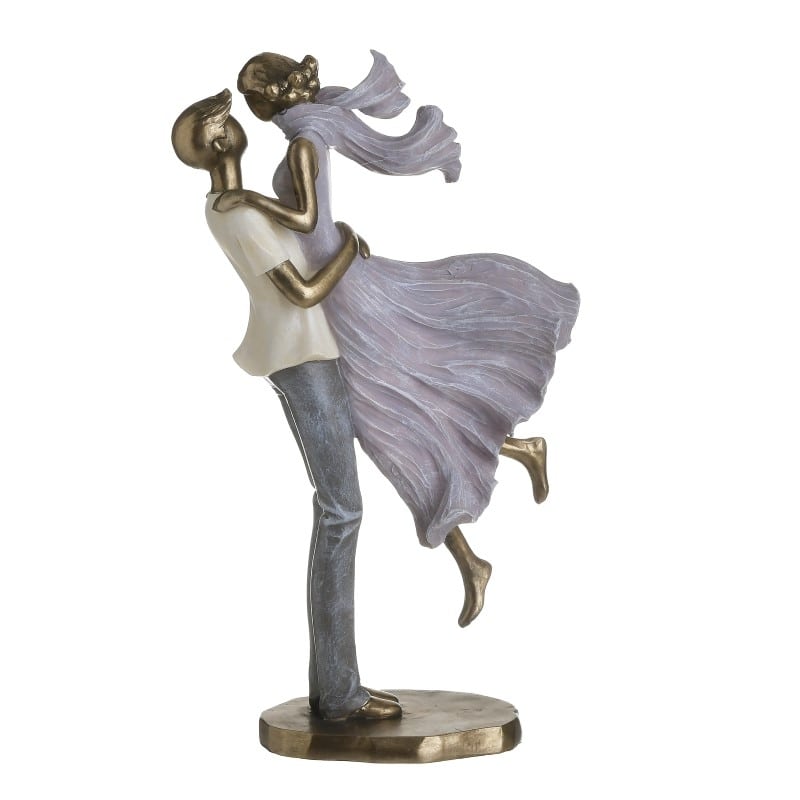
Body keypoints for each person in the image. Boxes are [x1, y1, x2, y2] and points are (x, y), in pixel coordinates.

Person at [222, 51, 580, 620]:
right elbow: (316, 220)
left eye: (251, 100)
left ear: (268, 100)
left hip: (344, 291)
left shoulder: (303, 143)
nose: (251, 109)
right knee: (402, 412)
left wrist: (248, 199)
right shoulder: (309, 134)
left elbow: (306, 219)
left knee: (396, 417)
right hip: (339, 286)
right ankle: (502, 485)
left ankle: (477, 540)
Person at [171, 89, 401, 721]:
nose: (237, 124)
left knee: (338, 511)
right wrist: (349, 247)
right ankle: (341, 692)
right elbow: (301, 291)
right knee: (342, 511)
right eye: (227, 120)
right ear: (221, 140)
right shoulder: (238, 215)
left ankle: (334, 688)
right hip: (302, 354)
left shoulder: (233, 203)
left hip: (307, 349)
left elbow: (298, 226)